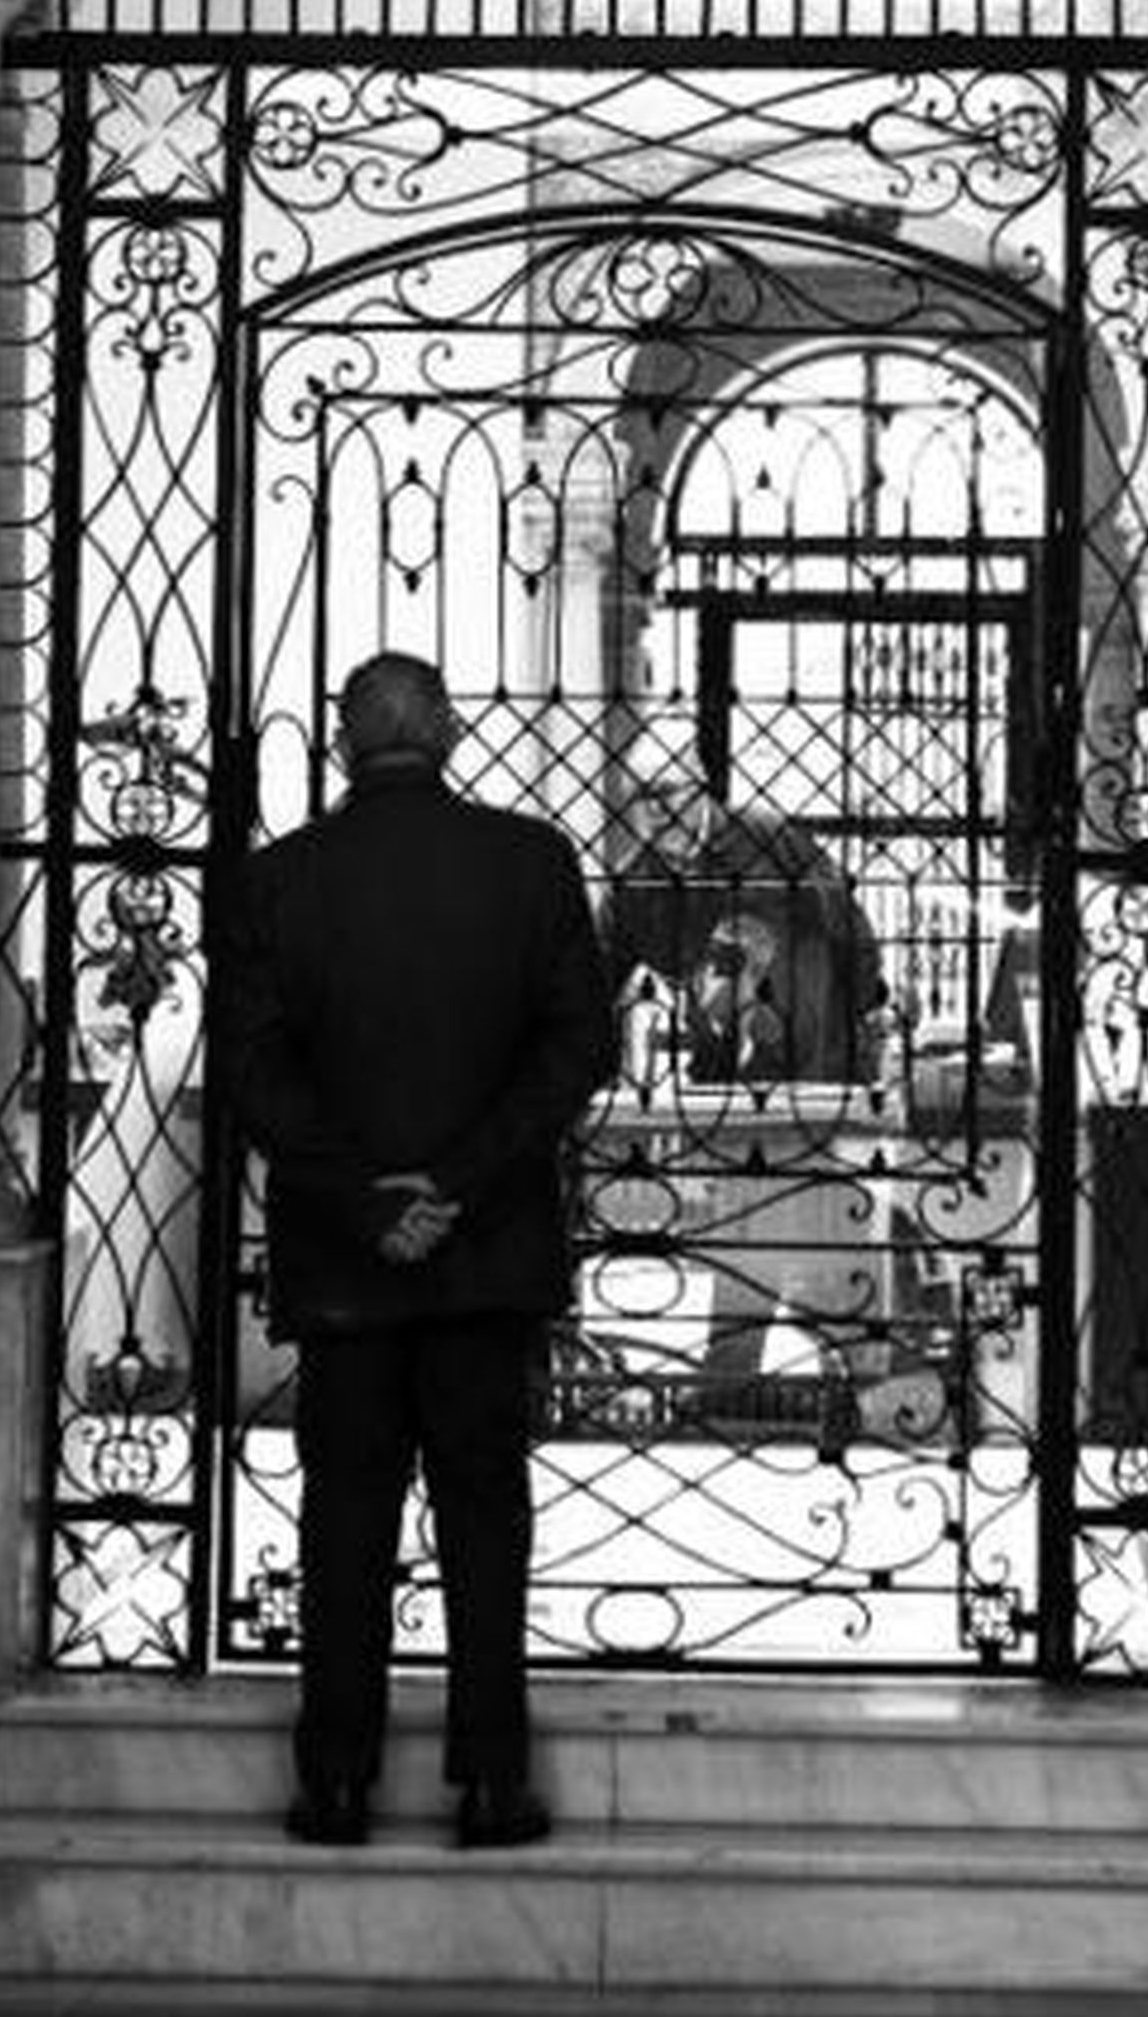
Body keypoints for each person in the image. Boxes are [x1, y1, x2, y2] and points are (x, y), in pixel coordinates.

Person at [215, 652, 614, 1850]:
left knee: (344, 1518)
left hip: (347, 1271)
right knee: (486, 1520)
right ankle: (490, 1785)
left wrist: (363, 1198)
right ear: (444, 732)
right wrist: (457, 1182)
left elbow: (251, 1069)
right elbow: (577, 1050)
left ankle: (334, 1784)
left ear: (344, 743)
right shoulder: (531, 862)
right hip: (484, 1257)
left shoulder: (278, 880)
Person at [603, 736, 886, 1089]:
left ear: (699, 783)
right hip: (719, 1085)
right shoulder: (633, 886)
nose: (655, 809)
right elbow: (594, 983)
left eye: (666, 790)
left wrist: (859, 1014)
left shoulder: (770, 837)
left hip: (817, 1073)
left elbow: (849, 927)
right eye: (640, 796)